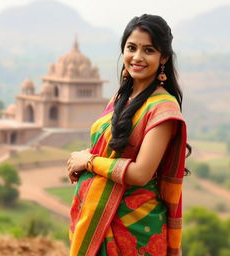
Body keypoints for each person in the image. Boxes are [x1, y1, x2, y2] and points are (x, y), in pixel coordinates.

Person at [67, 14, 190, 256]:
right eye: (131, 48)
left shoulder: (163, 109)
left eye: (149, 50)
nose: (137, 57)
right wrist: (84, 160)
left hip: (134, 229)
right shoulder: (121, 98)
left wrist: (89, 162)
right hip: (95, 216)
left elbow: (141, 173)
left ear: (163, 57)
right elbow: (108, 148)